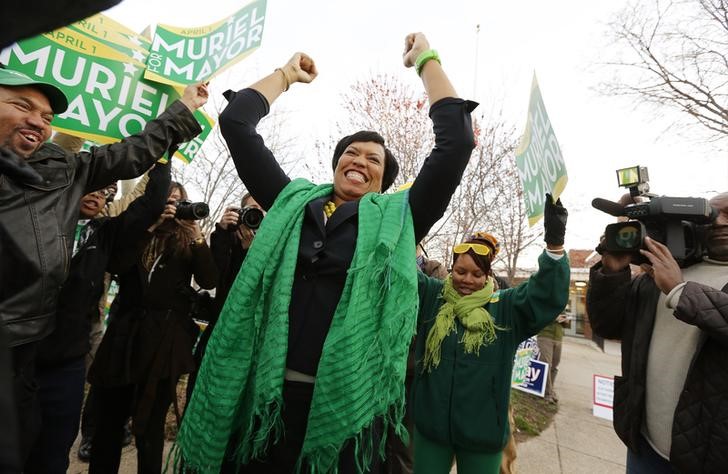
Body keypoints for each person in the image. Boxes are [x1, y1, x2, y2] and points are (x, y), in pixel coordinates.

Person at [176, 32, 477, 473]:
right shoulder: (291, 205)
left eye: (374, 159)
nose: (360, 160)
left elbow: (456, 144)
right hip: (265, 401)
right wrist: (285, 75)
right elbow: (237, 124)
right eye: (350, 152)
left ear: (383, 180)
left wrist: (425, 59)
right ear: (336, 163)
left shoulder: (401, 218)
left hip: (348, 412)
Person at [0, 67, 208, 463]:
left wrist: (183, 108)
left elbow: (132, 153)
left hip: (30, 359)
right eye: (22, 106)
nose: (37, 121)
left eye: (47, 117)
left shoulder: (64, 172)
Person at [24, 160, 172, 473]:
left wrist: (163, 158)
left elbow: (150, 204)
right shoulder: (32, 218)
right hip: (17, 356)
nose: (99, 195)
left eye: (106, 192)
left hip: (66, 363)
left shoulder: (103, 234)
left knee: (52, 451)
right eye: (93, 186)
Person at [411, 196, 570, 474]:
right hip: (431, 429)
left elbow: (544, 295)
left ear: (487, 276)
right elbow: (403, 271)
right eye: (460, 271)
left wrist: (554, 245)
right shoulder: (432, 297)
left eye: (476, 273)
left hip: (482, 435)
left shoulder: (505, 308)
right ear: (451, 270)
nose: (467, 280)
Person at [587, 192, 728, 474]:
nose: (720, 222)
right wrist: (612, 272)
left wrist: (680, 290)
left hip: (711, 457)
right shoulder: (661, 271)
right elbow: (607, 327)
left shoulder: (670, 277)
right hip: (644, 444)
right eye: (713, 213)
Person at [86, 180, 217, 473]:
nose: (172, 205)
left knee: (151, 425)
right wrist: (150, 223)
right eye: (166, 199)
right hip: (125, 337)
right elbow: (117, 264)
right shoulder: (134, 231)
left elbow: (209, 280)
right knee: (110, 420)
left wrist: (195, 234)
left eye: (178, 201)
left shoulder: (187, 240)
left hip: (165, 342)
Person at [185, 193, 265, 402]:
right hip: (219, 327)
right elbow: (212, 279)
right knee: (200, 390)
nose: (256, 214)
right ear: (239, 213)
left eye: (261, 209)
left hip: (248, 337)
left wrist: (252, 251)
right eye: (250, 209)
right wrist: (220, 232)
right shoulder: (226, 238)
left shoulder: (271, 247)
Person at [537, 313, 570, 404]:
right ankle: (548, 393)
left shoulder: (561, 304)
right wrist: (555, 318)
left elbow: (564, 323)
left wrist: (565, 321)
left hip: (558, 338)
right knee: (546, 364)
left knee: (555, 366)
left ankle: (550, 390)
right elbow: (539, 316)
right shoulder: (544, 302)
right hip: (545, 336)